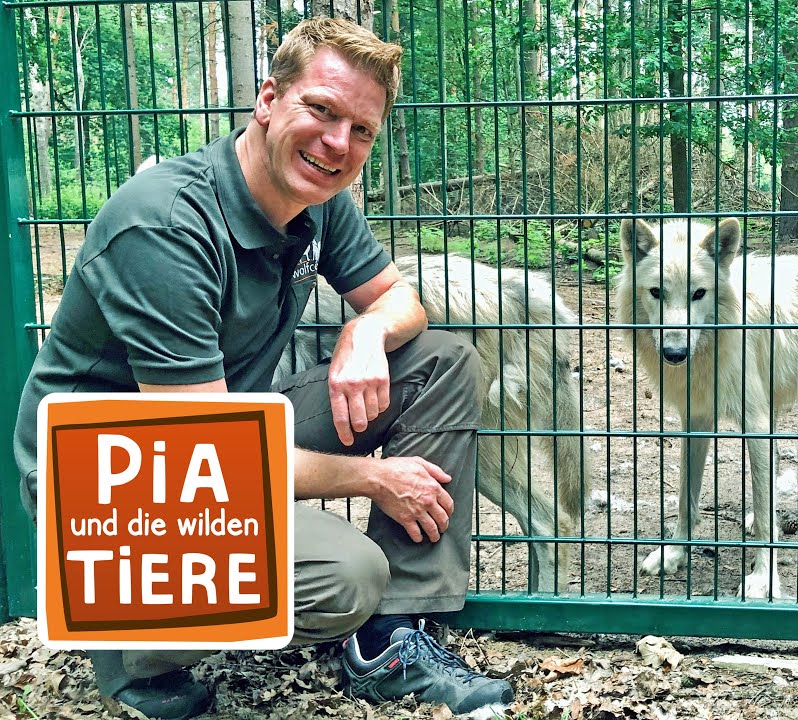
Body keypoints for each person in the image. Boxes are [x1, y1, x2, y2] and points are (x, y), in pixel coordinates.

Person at [12, 17, 513, 720]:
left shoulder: (319, 198)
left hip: (211, 432)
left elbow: (401, 300)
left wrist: (366, 330)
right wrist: (374, 478)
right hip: (109, 479)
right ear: (268, 98)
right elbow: (201, 447)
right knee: (346, 575)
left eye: (361, 130)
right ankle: (140, 653)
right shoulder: (165, 225)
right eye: (321, 110)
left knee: (440, 362)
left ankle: (390, 639)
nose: (338, 142)